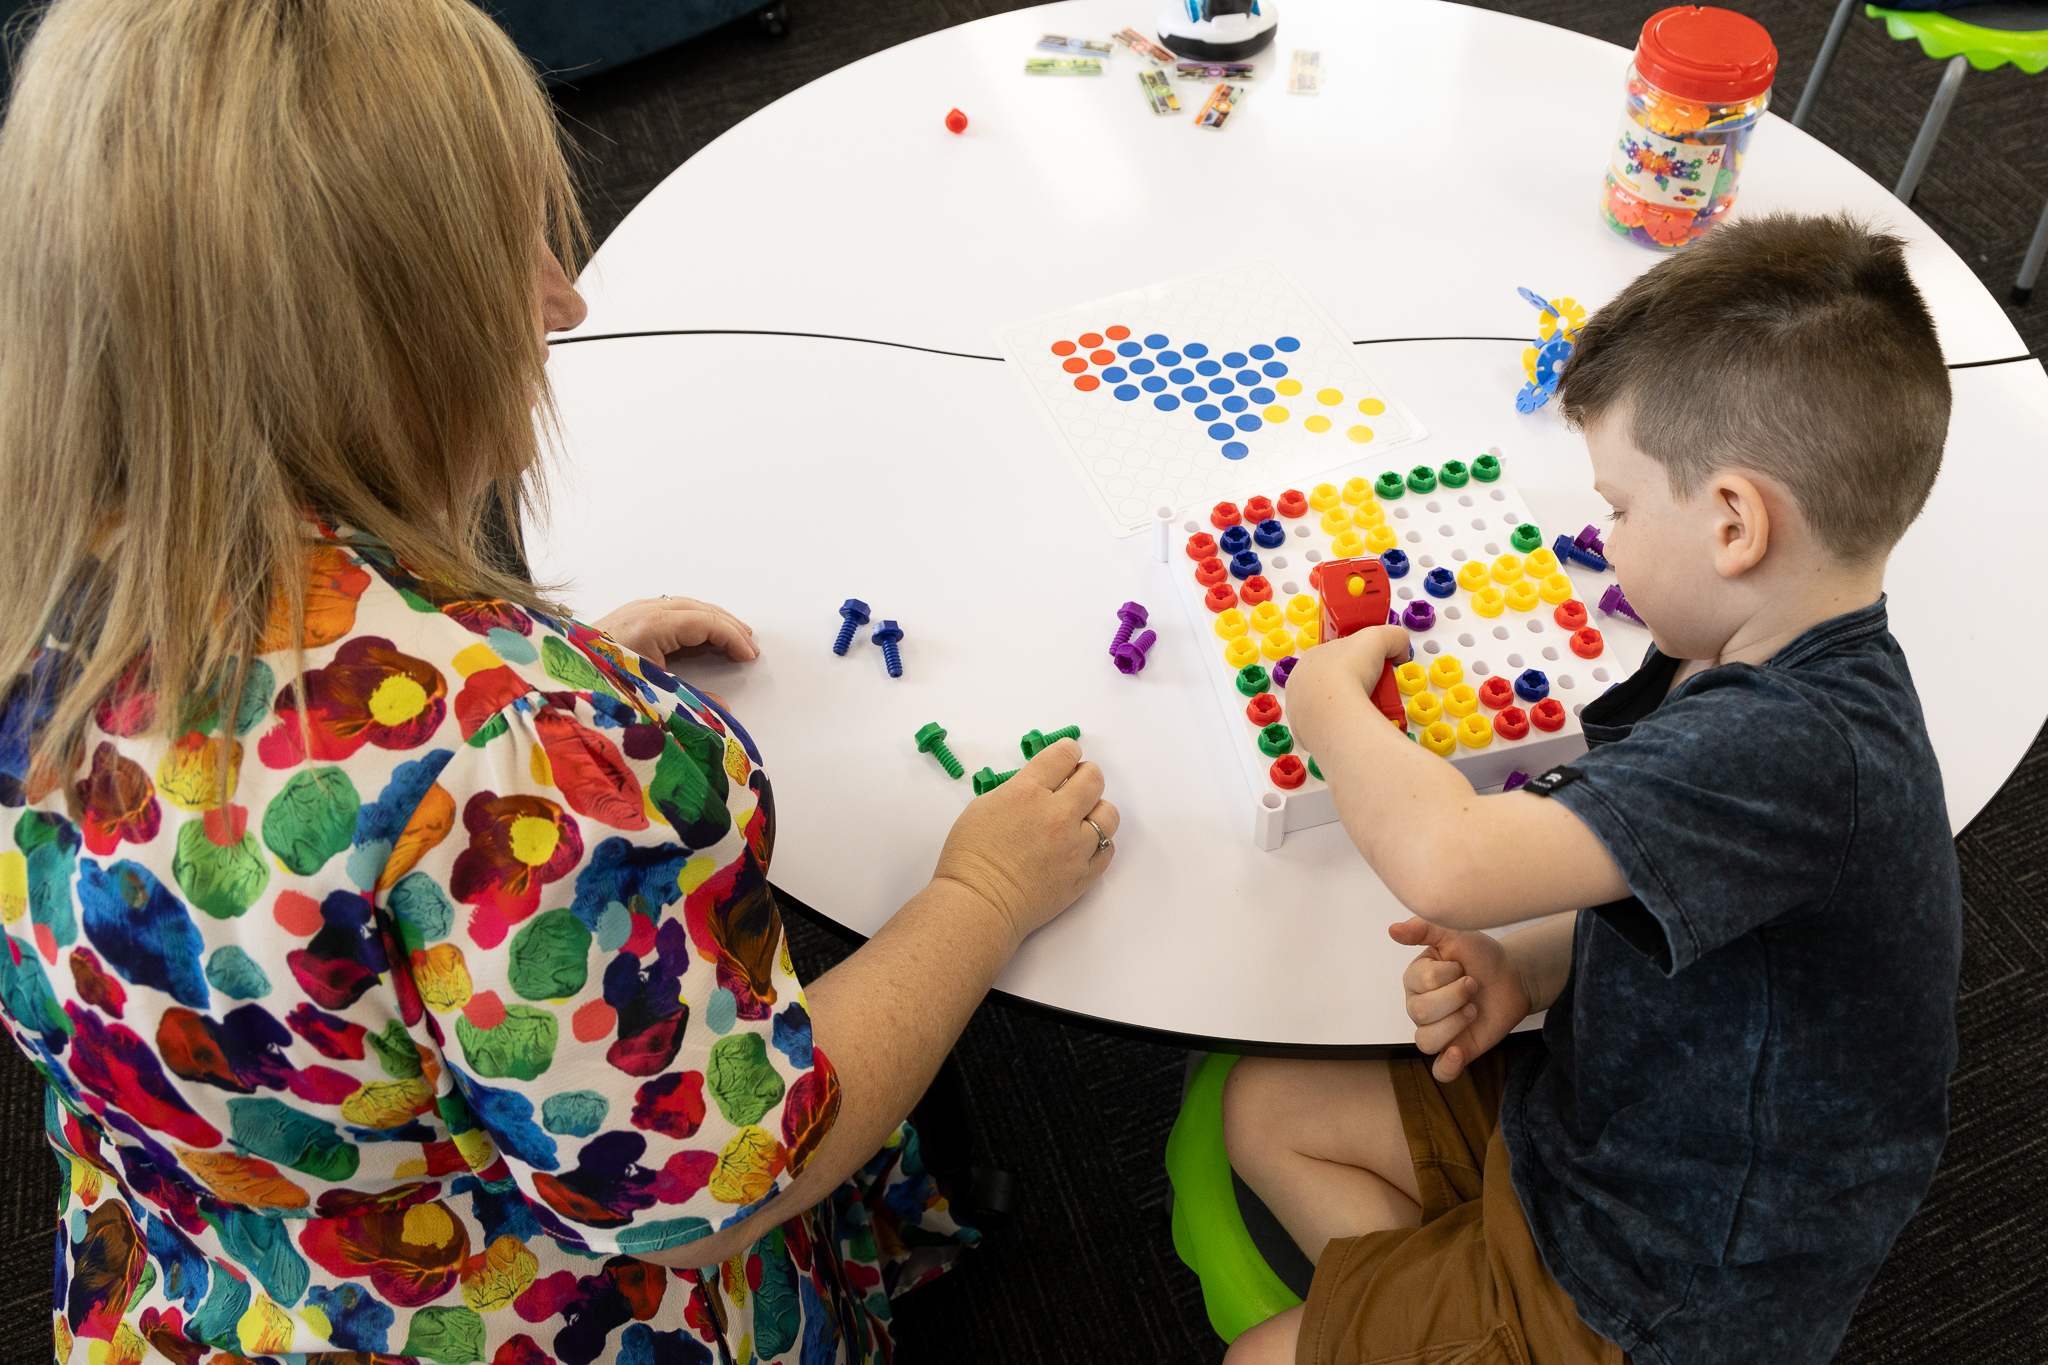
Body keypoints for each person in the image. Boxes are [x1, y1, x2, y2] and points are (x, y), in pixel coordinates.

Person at [0, 2, 1119, 1362]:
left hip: (214, 1260)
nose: (565, 296)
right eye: (507, 255)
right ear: (374, 349)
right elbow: (714, 1189)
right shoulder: (503, 763)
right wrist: (980, 896)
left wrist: (495, 682)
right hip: (519, 1309)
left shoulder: (37, 590)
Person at [1217, 213, 1961, 1365]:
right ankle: (1444, 1298)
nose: (1601, 537)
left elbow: (1447, 860)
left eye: (1616, 507)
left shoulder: (1793, 746)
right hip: (1600, 1124)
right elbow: (1688, 901)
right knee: (1263, 1107)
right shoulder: (1759, 655)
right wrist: (1528, 968)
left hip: (1664, 1280)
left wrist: (1323, 708)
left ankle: (1476, 1320)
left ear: (1730, 522)